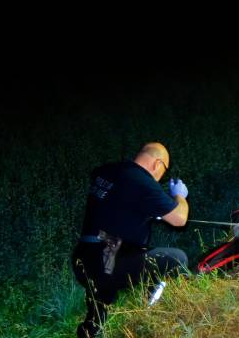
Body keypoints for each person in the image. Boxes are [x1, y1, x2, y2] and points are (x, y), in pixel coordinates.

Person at [71, 142, 190, 337]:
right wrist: (179, 196)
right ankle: (147, 318)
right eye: (164, 171)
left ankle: (91, 327)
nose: (161, 177)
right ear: (157, 164)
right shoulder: (141, 180)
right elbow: (179, 218)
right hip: (106, 258)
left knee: (104, 293)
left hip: (83, 258)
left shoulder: (109, 171)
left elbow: (118, 204)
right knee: (177, 258)